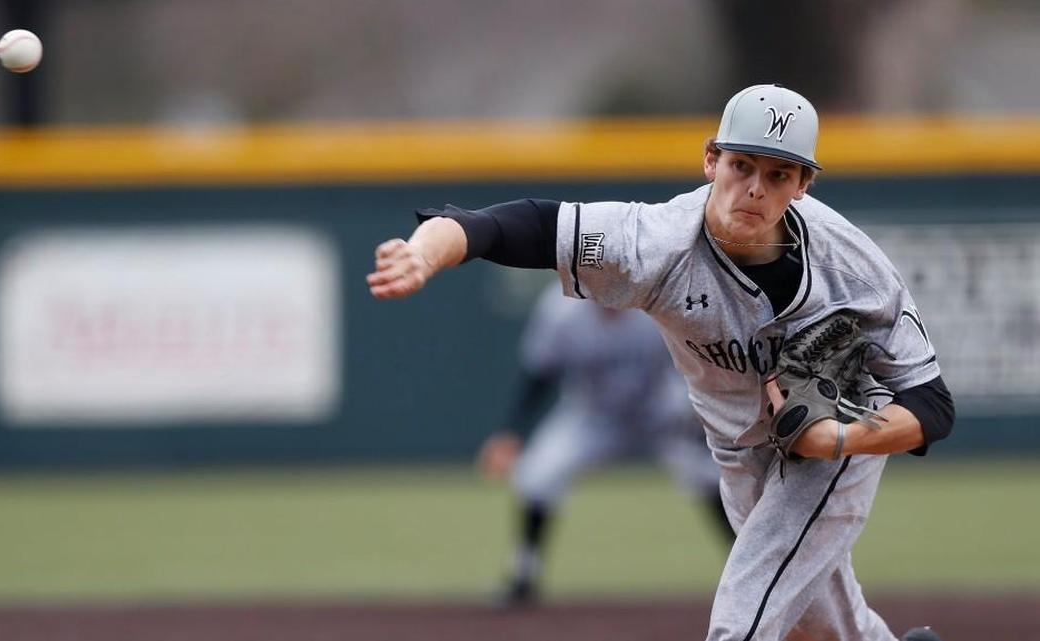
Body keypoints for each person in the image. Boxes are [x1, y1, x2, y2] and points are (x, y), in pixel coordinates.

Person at [367, 84, 955, 641]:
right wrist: (425, 254)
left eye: (778, 174)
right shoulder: (655, 242)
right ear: (711, 160)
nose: (754, 188)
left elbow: (931, 403)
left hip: (838, 444)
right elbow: (507, 226)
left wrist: (837, 439)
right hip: (738, 447)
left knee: (744, 616)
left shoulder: (855, 271)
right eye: (741, 165)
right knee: (821, 623)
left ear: (802, 184)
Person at [478, 284, 734, 607]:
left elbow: (698, 361)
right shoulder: (561, 312)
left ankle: (744, 569)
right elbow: (540, 373)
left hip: (657, 410)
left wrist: (700, 415)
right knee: (538, 474)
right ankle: (524, 574)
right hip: (593, 415)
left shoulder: (654, 299)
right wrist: (511, 431)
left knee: (708, 474)